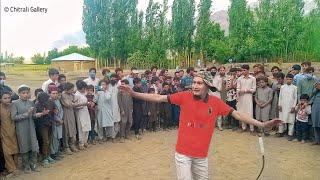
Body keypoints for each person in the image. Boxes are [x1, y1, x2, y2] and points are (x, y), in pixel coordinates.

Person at [118, 71, 280, 180]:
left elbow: (238, 114)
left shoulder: (216, 103)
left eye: (199, 83)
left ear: (207, 86)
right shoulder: (184, 97)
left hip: (201, 156)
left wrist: (262, 124)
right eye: (194, 82)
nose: (194, 85)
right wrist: (134, 94)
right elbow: (158, 98)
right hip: (183, 154)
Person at [11, 85, 43, 173]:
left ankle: (33, 164)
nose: (25, 95)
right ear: (19, 94)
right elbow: (14, 117)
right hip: (21, 129)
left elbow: (33, 115)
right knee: (24, 146)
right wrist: (26, 114)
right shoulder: (14, 103)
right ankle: (26, 166)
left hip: (31, 128)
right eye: (23, 93)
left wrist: (39, 114)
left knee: (33, 145)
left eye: (27, 93)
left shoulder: (31, 103)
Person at [60, 82, 84, 154]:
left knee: (73, 130)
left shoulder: (71, 94)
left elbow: (75, 99)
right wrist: (80, 104)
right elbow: (68, 104)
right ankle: (66, 147)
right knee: (66, 131)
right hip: (66, 114)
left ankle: (72, 145)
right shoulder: (63, 95)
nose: (73, 90)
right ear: (67, 89)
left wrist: (75, 102)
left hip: (71, 114)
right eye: (71, 89)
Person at [34, 92, 56, 167]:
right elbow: (34, 116)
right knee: (45, 141)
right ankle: (44, 158)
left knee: (49, 141)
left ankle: (48, 156)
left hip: (50, 123)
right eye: (46, 99)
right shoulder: (37, 105)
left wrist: (55, 110)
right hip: (42, 125)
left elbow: (54, 108)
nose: (47, 100)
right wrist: (42, 114)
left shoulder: (50, 101)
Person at [0, 91, 19, 176]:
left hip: (14, 132)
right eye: (5, 98)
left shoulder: (13, 106)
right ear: (1, 99)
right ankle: (11, 169)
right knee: (7, 152)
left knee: (15, 150)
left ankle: (15, 167)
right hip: (4, 133)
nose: (7, 100)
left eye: (9, 98)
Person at [237, 64, 257, 133]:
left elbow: (254, 89)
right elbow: (238, 89)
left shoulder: (253, 78)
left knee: (249, 112)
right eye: (242, 70)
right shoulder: (239, 79)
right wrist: (238, 95)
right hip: (241, 98)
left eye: (244, 70)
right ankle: (244, 128)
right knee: (242, 112)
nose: (243, 71)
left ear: (248, 70)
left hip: (249, 98)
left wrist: (245, 90)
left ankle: (252, 129)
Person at [277, 74, 297, 140]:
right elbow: (280, 97)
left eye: (290, 79)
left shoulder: (295, 87)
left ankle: (290, 134)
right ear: (285, 79)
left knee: (291, 121)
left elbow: (295, 98)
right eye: (288, 79)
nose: (289, 80)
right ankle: (280, 132)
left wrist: (294, 107)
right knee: (281, 119)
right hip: (283, 106)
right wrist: (279, 105)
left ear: (292, 80)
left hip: (290, 106)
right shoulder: (282, 87)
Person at [48, 85, 64, 161]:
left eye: (56, 93)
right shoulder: (49, 102)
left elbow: (60, 111)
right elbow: (52, 114)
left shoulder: (57, 100)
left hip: (59, 122)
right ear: (50, 94)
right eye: (53, 93)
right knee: (53, 138)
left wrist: (61, 120)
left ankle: (57, 152)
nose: (55, 95)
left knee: (58, 138)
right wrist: (58, 120)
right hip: (54, 123)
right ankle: (53, 154)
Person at [74, 80, 91, 150]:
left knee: (87, 127)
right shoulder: (76, 95)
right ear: (80, 88)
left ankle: (85, 141)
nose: (84, 89)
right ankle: (81, 143)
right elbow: (75, 106)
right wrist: (84, 104)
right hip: (80, 113)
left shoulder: (83, 94)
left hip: (85, 112)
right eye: (84, 88)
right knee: (81, 128)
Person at [109, 74, 121, 141]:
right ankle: (112, 136)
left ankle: (115, 135)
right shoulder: (107, 87)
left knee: (116, 122)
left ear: (116, 79)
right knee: (111, 123)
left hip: (117, 107)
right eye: (112, 78)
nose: (113, 79)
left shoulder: (118, 87)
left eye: (114, 78)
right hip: (109, 107)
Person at [311, 80, 320, 145]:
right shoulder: (317, 82)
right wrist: (316, 88)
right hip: (315, 108)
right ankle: (317, 140)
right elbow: (311, 95)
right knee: (315, 124)